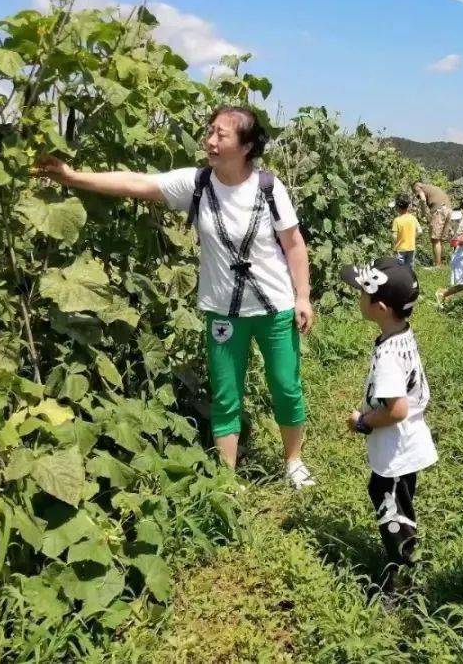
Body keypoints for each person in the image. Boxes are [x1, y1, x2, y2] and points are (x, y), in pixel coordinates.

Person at [36, 106, 316, 489]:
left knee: (285, 385)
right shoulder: (196, 183)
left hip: (274, 307)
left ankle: (294, 462)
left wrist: (303, 296)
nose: (211, 141)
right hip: (222, 310)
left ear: (247, 146)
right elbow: (136, 183)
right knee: (226, 394)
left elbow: (294, 244)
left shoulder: (268, 187)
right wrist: (72, 177)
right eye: (210, 131)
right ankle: (226, 482)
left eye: (222, 135)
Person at [343, 258, 437, 592]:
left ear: (380, 307)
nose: (357, 297)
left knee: (390, 504)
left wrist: (364, 421)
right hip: (404, 443)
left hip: (398, 446)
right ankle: (405, 560)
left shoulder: (388, 357)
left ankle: (405, 577)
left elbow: (396, 409)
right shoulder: (400, 336)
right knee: (393, 496)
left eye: (360, 293)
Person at [412, 181, 452, 267]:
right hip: (448, 209)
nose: (416, 194)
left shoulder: (419, 188)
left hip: (440, 210)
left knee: (435, 239)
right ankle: (442, 262)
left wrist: (423, 213)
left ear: (416, 187)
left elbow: (422, 199)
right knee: (440, 238)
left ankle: (437, 265)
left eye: (414, 192)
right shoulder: (431, 187)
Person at [392, 195, 420, 268]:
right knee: (410, 267)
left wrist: (395, 246)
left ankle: (400, 279)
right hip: (411, 247)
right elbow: (420, 231)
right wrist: (413, 238)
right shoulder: (413, 218)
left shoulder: (397, 220)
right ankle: (410, 279)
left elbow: (394, 236)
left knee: (399, 268)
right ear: (408, 206)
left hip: (400, 248)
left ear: (397, 207)